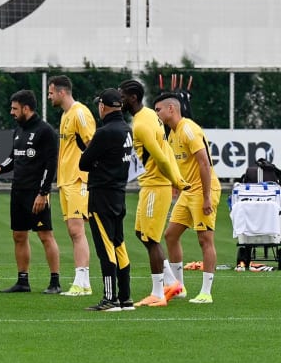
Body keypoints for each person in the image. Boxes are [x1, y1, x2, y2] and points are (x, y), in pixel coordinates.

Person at [119, 80, 188, 307]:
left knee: (151, 238)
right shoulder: (149, 115)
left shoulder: (141, 125)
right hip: (150, 185)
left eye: (123, 96)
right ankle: (173, 283)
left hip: (155, 187)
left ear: (133, 98)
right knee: (141, 233)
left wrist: (175, 180)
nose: (120, 100)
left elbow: (160, 155)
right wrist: (175, 178)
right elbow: (166, 149)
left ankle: (159, 293)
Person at [154, 91, 221, 304]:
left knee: (204, 239)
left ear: (171, 109)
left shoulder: (189, 130)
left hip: (203, 191)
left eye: (158, 110)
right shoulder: (172, 133)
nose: (156, 114)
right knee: (171, 235)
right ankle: (179, 287)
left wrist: (207, 197)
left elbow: (204, 163)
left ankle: (206, 292)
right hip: (188, 191)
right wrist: (177, 186)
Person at [0, 89, 61, 294]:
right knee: (19, 235)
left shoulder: (45, 131)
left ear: (26, 108)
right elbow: (14, 157)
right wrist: (0, 168)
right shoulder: (19, 130)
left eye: (14, 108)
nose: (11, 112)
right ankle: (23, 281)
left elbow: (51, 165)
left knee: (45, 235)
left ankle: (55, 282)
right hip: (18, 191)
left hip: (36, 193)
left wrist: (43, 192)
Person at [78, 88, 134, 312]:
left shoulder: (104, 132)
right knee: (119, 244)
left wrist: (92, 157)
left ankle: (110, 299)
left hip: (102, 194)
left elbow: (84, 163)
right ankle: (125, 297)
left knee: (105, 247)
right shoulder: (126, 128)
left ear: (103, 106)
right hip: (119, 194)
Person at [47, 74, 95, 296]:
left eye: (50, 92)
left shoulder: (80, 113)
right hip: (66, 182)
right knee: (73, 231)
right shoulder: (66, 115)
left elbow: (93, 144)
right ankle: (82, 283)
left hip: (78, 179)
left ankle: (81, 281)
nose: (49, 97)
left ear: (61, 92)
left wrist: (89, 175)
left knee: (77, 231)